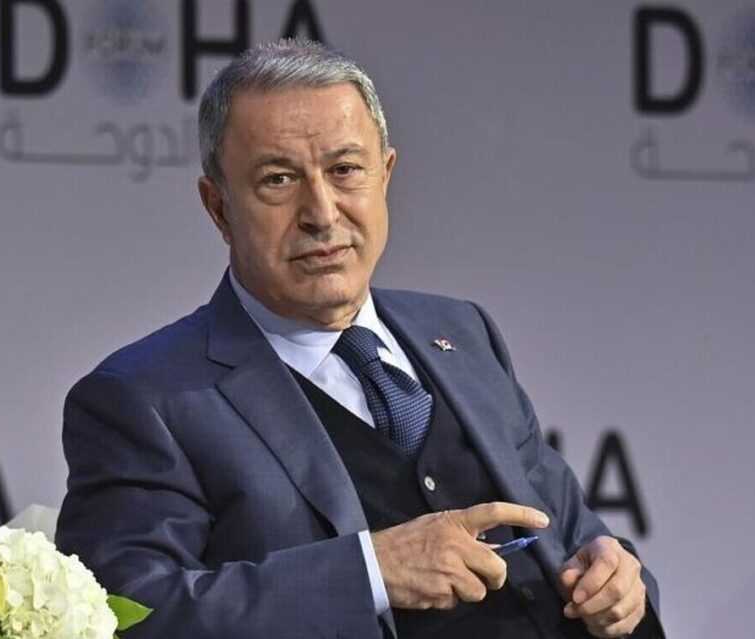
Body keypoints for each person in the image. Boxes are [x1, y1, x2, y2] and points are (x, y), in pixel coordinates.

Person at [56, 39, 664, 639]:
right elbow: (127, 613)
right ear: (219, 208)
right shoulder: (144, 398)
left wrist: (616, 579)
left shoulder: (463, 332)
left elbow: (575, 533)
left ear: (385, 175)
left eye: (345, 171)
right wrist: (370, 572)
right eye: (278, 180)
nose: (322, 213)